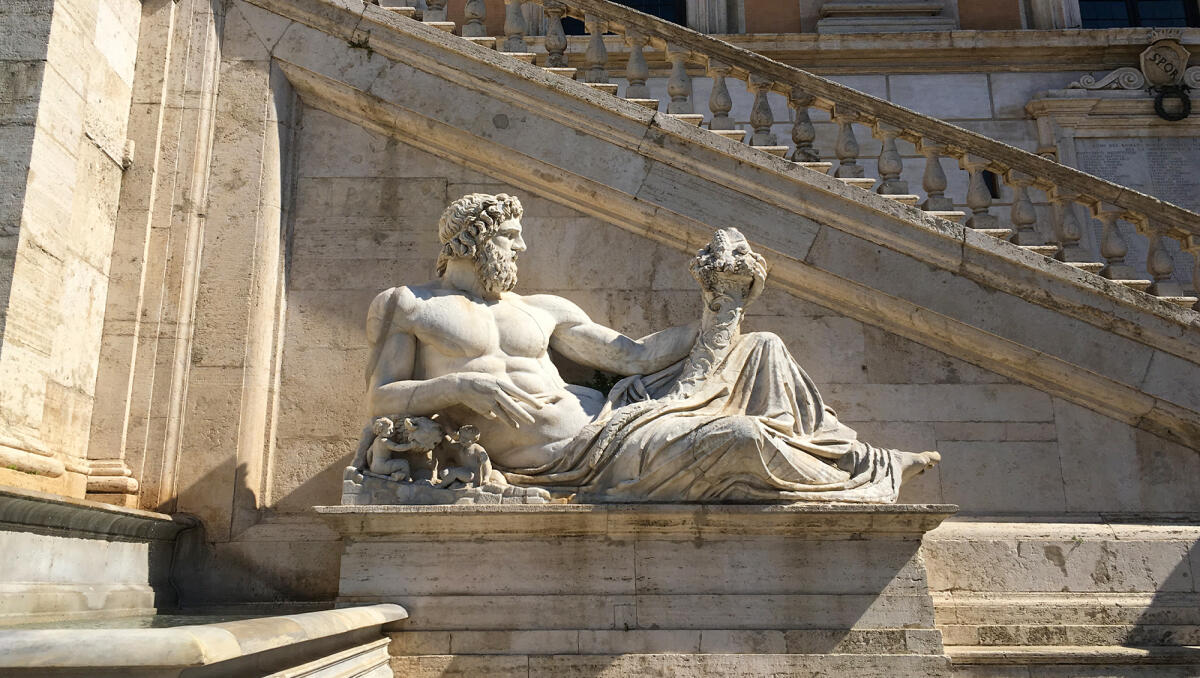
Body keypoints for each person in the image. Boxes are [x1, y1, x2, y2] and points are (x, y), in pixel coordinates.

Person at [360, 193, 938, 503]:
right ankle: (857, 481)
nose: (522, 247)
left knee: (761, 344)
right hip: (568, 457)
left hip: (615, 419)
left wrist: (719, 307)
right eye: (511, 237)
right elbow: (380, 399)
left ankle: (859, 461)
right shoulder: (409, 305)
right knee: (740, 436)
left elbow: (633, 357)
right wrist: (460, 385)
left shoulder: (541, 307)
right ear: (475, 239)